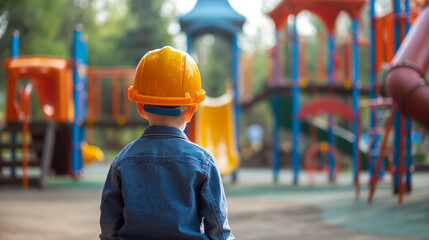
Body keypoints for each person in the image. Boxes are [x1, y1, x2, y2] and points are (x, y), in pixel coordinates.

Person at [99, 46, 234, 240]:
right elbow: (218, 228)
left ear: (140, 107)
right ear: (191, 110)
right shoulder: (203, 161)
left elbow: (109, 222)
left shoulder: (123, 159)